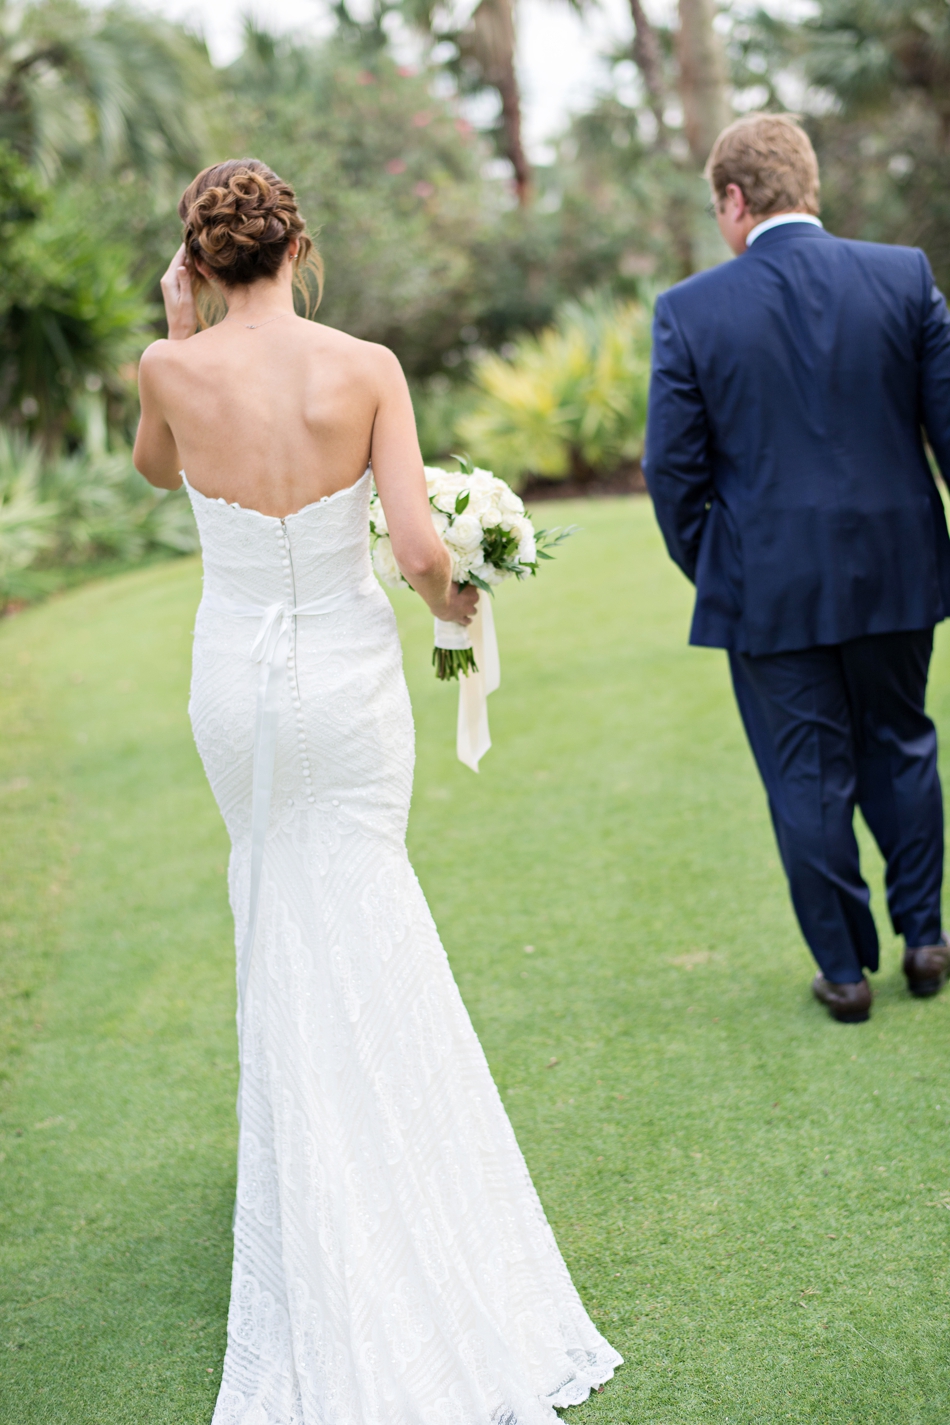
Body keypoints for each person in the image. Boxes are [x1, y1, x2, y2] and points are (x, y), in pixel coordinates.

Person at [133, 159, 620, 1424]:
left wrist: (175, 333)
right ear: (299, 250)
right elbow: (412, 550)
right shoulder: (366, 368)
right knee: (361, 896)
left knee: (271, 895)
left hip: (234, 687)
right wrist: (462, 600)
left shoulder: (166, 370)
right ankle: (384, 1163)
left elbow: (154, 472)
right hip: (345, 691)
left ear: (200, 260)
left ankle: (312, 1166)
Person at [643, 113, 950, 1025]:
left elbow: (671, 473)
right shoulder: (904, 276)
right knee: (902, 744)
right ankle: (927, 939)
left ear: (735, 199)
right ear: (807, 185)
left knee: (806, 776)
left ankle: (845, 974)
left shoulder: (690, 309)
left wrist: (717, 563)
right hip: (899, 567)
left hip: (766, 583)